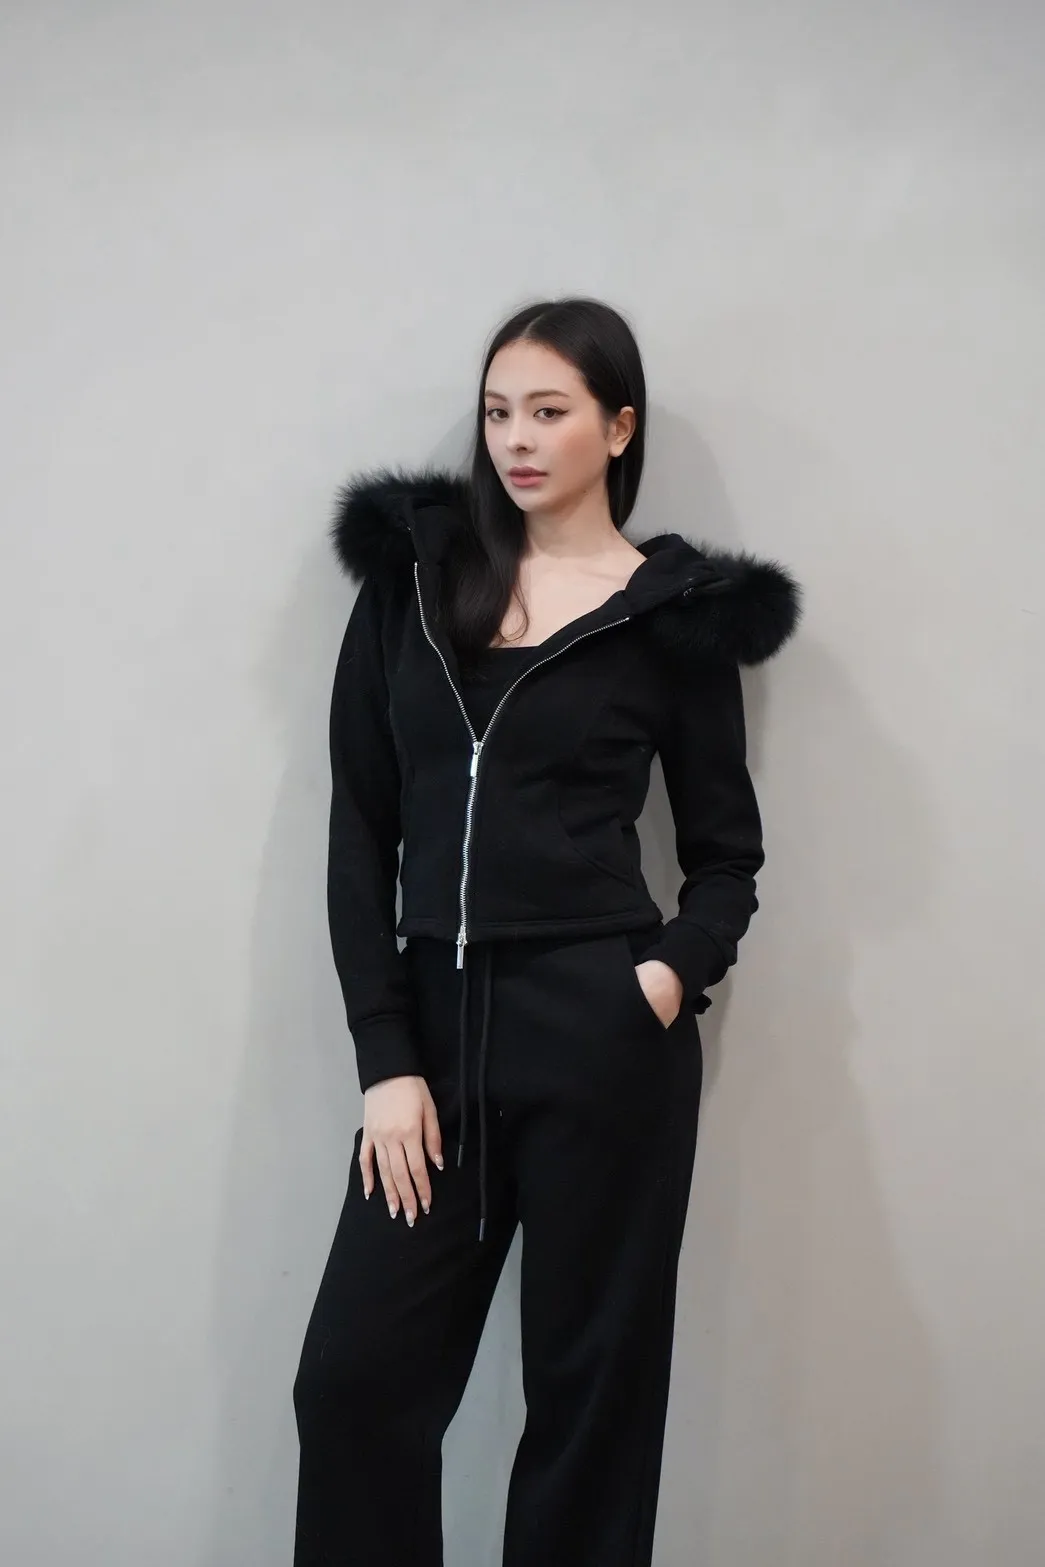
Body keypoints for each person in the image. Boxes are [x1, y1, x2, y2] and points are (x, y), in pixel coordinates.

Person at [291, 295, 802, 1565]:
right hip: (433, 1055)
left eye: (549, 411)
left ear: (617, 428)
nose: (516, 439)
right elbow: (360, 828)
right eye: (498, 411)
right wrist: (386, 1058)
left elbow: (725, 856)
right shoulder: (415, 583)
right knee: (352, 1386)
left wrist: (662, 981)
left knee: (589, 1419)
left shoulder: (670, 618)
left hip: (601, 1046)